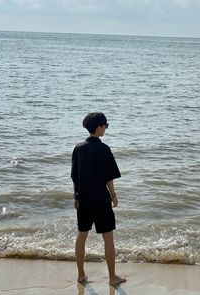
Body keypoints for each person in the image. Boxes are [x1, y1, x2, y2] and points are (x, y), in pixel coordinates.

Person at [71, 112, 127, 287]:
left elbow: (75, 176)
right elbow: (108, 177)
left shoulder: (78, 148)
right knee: (108, 238)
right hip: (101, 199)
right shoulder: (104, 149)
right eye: (105, 126)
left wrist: (76, 197)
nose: (106, 129)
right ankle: (112, 278)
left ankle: (81, 275)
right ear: (98, 127)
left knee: (82, 235)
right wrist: (114, 195)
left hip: (84, 199)